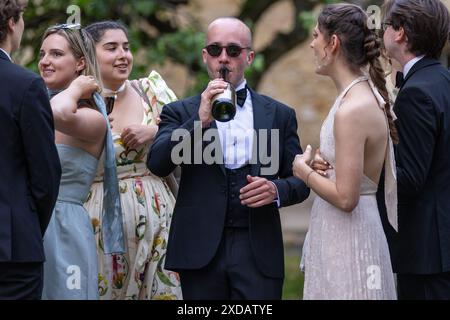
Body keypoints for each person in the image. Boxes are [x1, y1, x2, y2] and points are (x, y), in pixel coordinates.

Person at [148, 17, 310, 300]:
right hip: (199, 248)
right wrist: (198, 122)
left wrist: (276, 190)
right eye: (215, 50)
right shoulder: (179, 111)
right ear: (205, 57)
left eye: (233, 51)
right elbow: (158, 163)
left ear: (249, 57)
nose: (223, 58)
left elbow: (301, 179)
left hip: (257, 245)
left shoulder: (280, 114)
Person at [293, 4, 398, 299]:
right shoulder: (357, 96)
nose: (312, 44)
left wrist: (303, 172)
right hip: (345, 233)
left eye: (316, 35)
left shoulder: (352, 108)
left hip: (351, 239)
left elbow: (346, 197)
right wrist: (321, 165)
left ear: (333, 42)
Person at [83, 21, 182, 300]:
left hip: (159, 216)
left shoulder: (150, 91)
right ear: (89, 55)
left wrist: (154, 131)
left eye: (126, 47)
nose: (123, 55)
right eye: (111, 48)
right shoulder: (77, 101)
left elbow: (190, 135)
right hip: (100, 219)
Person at [380, 0, 450, 299]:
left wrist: (362, 170)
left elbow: (408, 179)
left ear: (400, 33)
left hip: (427, 254)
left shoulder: (417, 92)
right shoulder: (442, 80)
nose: (381, 32)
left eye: (385, 25)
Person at [38, 24, 109, 299]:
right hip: (31, 224)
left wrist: (78, 87)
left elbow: (56, 112)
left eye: (56, 54)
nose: (45, 61)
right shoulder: (37, 106)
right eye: (42, 54)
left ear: (80, 63)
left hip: (64, 228)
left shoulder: (93, 119)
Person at [0, 0, 61, 299]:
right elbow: (46, 176)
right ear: (12, 22)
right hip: (12, 249)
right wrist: (25, 226)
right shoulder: (25, 85)